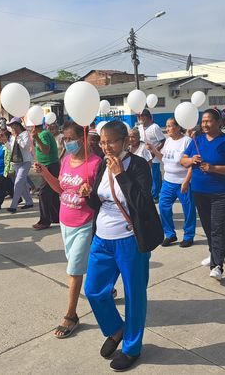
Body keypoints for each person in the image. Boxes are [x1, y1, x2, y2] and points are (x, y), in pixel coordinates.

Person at [81, 121, 163, 372]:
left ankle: (132, 348)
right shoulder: (101, 164)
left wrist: (120, 174)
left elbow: (142, 203)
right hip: (102, 238)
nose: (106, 147)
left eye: (112, 142)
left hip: (130, 240)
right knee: (94, 290)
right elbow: (100, 201)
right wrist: (88, 194)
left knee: (134, 295)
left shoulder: (137, 165)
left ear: (125, 141)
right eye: (103, 142)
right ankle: (116, 329)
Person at [34, 120, 102, 338]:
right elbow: (60, 188)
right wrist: (45, 172)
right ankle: (106, 287)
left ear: (83, 138)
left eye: (71, 139)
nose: (67, 142)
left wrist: (90, 192)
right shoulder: (65, 160)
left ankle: (71, 316)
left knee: (74, 270)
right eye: (65, 139)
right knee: (81, 263)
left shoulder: (96, 163)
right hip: (65, 222)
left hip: (85, 222)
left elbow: (103, 196)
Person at [181, 109, 225, 280]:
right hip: (199, 191)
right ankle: (213, 253)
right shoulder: (197, 139)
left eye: (208, 121)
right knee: (208, 226)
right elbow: (183, 160)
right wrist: (191, 160)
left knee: (217, 228)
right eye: (203, 121)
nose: (204, 124)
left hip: (221, 192)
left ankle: (217, 265)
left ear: (218, 123)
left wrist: (214, 168)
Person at [148, 118, 196, 248]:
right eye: (167, 126)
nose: (167, 129)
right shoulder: (168, 141)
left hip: (183, 182)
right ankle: (170, 234)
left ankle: (188, 236)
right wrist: (153, 149)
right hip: (168, 182)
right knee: (163, 206)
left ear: (178, 127)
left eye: (170, 126)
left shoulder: (187, 141)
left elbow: (193, 163)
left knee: (188, 209)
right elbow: (163, 158)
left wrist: (186, 181)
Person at [31, 121, 60, 230]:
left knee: (43, 192)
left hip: (50, 166)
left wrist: (37, 139)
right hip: (48, 165)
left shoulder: (43, 134)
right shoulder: (44, 134)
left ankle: (44, 221)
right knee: (52, 192)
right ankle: (56, 216)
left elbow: (46, 150)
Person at [7, 117, 34, 213]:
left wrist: (17, 137)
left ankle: (13, 206)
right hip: (15, 162)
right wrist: (5, 141)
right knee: (22, 184)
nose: (12, 128)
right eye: (11, 126)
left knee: (18, 182)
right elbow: (10, 148)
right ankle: (29, 202)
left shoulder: (25, 134)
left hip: (25, 162)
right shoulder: (12, 136)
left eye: (13, 126)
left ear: (18, 126)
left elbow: (25, 146)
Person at [138, 109, 165, 201]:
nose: (140, 118)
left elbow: (163, 141)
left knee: (154, 176)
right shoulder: (140, 127)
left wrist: (154, 151)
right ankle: (149, 193)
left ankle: (155, 195)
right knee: (145, 176)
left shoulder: (155, 127)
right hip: (143, 156)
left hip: (154, 157)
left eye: (141, 116)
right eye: (139, 116)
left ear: (147, 117)